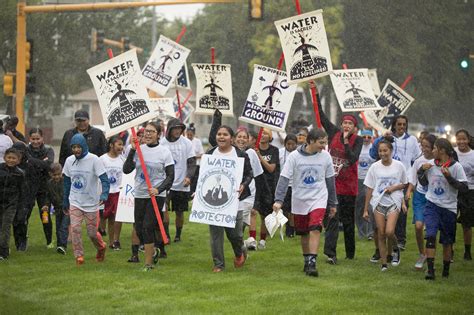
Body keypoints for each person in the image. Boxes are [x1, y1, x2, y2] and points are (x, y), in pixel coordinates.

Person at [273, 129, 337, 277]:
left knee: (315, 227)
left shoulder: (326, 157)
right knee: (303, 233)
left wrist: (333, 203)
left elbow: (330, 181)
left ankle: (312, 263)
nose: (324, 146)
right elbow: (284, 178)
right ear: (311, 141)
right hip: (299, 199)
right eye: (321, 143)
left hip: (319, 197)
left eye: (325, 142)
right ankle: (307, 259)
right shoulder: (294, 157)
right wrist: (278, 200)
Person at [123, 122, 175, 271]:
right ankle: (153, 251)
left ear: (158, 134)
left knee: (147, 227)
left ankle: (148, 264)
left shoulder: (164, 152)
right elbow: (127, 170)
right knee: (138, 228)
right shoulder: (138, 149)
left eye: (152, 132)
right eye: (146, 131)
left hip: (156, 195)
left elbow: (171, 176)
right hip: (140, 193)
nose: (148, 134)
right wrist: (133, 150)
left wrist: (158, 189)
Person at [204, 116, 253, 272]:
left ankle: (240, 252)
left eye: (225, 135)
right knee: (215, 235)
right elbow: (203, 176)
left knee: (235, 235)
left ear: (231, 139)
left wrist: (243, 185)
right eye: (219, 134)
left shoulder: (240, 155)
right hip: (214, 202)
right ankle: (218, 264)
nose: (221, 137)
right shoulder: (210, 153)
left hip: (235, 201)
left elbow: (249, 174)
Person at [316, 100, 362, 263]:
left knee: (349, 223)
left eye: (350, 123)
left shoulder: (358, 140)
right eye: (344, 123)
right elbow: (322, 117)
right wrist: (315, 93)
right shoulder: (333, 132)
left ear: (354, 127)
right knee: (332, 219)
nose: (346, 125)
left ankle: (350, 254)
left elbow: (353, 157)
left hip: (350, 187)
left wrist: (346, 142)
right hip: (333, 186)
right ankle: (331, 254)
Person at [417, 138, 468, 279]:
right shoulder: (431, 165)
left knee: (447, 242)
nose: (432, 151)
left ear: (442, 150)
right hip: (432, 204)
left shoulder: (456, 167)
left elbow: (464, 188)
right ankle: (431, 271)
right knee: (431, 236)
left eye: (434, 148)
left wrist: (450, 178)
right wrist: (421, 171)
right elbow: (423, 182)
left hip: (449, 208)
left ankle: (445, 271)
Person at [370, 115, 421, 250]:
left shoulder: (412, 140)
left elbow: (416, 160)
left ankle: (400, 240)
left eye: (404, 124)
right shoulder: (388, 139)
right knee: (384, 209)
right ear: (394, 125)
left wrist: (411, 179)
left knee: (402, 211)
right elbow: (372, 153)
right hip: (386, 179)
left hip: (403, 181)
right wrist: (382, 138)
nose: (402, 127)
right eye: (399, 124)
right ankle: (386, 238)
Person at [63, 133, 110, 266]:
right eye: (73, 147)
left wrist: (104, 194)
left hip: (91, 203)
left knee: (92, 234)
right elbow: (66, 182)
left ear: (84, 146)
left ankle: (101, 247)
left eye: (78, 147)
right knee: (75, 229)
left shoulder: (94, 159)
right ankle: (79, 256)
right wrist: (65, 200)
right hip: (75, 201)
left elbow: (105, 180)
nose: (76, 150)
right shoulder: (69, 161)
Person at [363, 139, 408, 272]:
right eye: (380, 151)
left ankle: (395, 248)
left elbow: (405, 184)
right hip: (378, 203)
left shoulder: (399, 166)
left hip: (394, 202)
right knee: (381, 233)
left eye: (385, 150)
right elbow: (370, 188)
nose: (383, 153)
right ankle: (384, 263)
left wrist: (393, 188)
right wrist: (366, 209)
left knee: (389, 232)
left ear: (391, 151)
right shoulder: (374, 167)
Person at [161, 118, 196, 243]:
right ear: (169, 129)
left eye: (179, 128)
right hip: (165, 183)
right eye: (175, 128)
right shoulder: (162, 143)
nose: (177, 131)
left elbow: (192, 162)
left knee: (179, 212)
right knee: (163, 209)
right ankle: (166, 235)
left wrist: (189, 177)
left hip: (182, 183)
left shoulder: (186, 143)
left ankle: (178, 235)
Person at [406, 134, 436, 269]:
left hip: (434, 197)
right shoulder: (419, 161)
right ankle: (422, 253)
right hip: (420, 195)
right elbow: (412, 179)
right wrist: (408, 191)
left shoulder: (439, 161)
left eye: (427, 147)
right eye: (422, 146)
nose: (424, 149)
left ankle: (431, 256)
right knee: (418, 226)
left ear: (434, 147)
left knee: (432, 230)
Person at [249, 128, 279, 250]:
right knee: (253, 211)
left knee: (265, 215)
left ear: (270, 136)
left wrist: (259, 157)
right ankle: (252, 239)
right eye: (261, 133)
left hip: (268, 185)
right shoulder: (251, 150)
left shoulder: (274, 150)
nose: (263, 135)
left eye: (266, 133)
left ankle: (262, 240)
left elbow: (271, 168)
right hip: (255, 183)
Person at [26, 128, 55, 248]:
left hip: (44, 188)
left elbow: (49, 165)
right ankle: (23, 241)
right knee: (24, 215)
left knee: (45, 214)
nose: (35, 141)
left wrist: (31, 161)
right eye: (33, 139)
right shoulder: (26, 150)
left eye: (38, 138)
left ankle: (49, 241)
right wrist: (42, 163)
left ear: (42, 138)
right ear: (29, 139)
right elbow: (25, 164)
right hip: (29, 187)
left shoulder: (49, 149)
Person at [0, 148, 26, 260]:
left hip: (11, 205)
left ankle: (4, 251)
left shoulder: (20, 174)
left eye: (13, 158)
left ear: (18, 160)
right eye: (9, 157)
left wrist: (21, 208)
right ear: (5, 158)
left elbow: (23, 192)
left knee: (5, 227)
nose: (11, 160)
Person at [99, 135, 125, 250]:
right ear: (111, 145)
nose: (121, 147)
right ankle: (106, 238)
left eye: (122, 144)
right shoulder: (102, 159)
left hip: (118, 192)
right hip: (106, 193)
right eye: (119, 144)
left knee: (115, 217)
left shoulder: (123, 160)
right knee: (106, 216)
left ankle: (115, 241)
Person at [454, 129, 474, 261]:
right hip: (453, 191)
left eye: (463, 139)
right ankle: (449, 249)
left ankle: (467, 251)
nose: (461, 141)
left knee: (466, 224)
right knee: (450, 222)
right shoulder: (452, 153)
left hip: (470, 191)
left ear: (468, 140)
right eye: (459, 139)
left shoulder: (473, 155)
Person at [355, 129, 375, 241]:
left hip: (370, 181)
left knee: (370, 206)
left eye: (369, 137)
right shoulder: (357, 147)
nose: (366, 139)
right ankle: (362, 232)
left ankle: (371, 231)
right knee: (359, 207)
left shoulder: (373, 148)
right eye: (364, 137)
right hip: (358, 180)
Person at [45, 163, 69, 255]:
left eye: (59, 174)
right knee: (58, 227)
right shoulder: (49, 183)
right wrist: (46, 205)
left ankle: (63, 245)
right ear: (50, 174)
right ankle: (59, 245)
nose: (57, 176)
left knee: (64, 227)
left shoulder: (66, 182)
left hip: (67, 208)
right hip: (57, 209)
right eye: (54, 175)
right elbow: (48, 196)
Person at [279, 133, 298, 237]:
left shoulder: (299, 153)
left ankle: (291, 229)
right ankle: (288, 226)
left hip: (295, 185)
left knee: (293, 209)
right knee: (285, 209)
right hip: (284, 185)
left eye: (293, 144)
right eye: (288, 144)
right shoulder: (280, 153)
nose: (290, 146)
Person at [186, 123, 205, 195]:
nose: (189, 136)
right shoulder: (185, 141)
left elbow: (202, 154)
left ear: (194, 134)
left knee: (194, 181)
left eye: (191, 135)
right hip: (187, 165)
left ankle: (192, 194)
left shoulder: (197, 141)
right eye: (188, 135)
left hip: (196, 164)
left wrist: (193, 157)